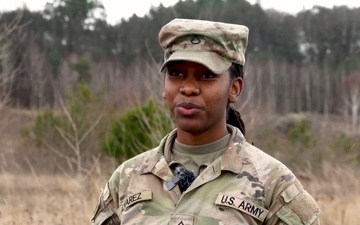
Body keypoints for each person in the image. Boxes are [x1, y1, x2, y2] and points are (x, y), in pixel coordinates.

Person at [91, 18, 320, 225]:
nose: (188, 88)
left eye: (207, 75)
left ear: (234, 88)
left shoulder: (273, 184)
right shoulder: (128, 178)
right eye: (176, 74)